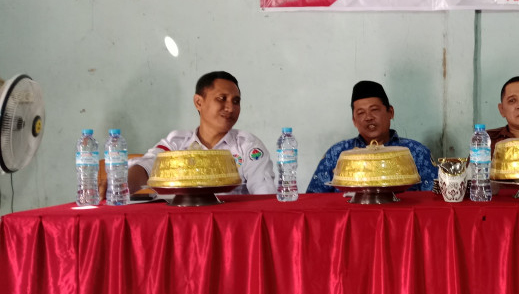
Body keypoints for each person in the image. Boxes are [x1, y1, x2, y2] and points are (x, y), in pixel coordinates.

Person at [127, 71, 275, 194]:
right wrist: (125, 190)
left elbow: (264, 195)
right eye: (222, 99)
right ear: (199, 102)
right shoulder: (176, 143)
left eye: (236, 101)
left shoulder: (247, 146)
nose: (230, 108)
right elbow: (143, 168)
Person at [306, 80, 437, 193]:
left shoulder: (416, 152)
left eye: (374, 110)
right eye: (361, 113)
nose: (368, 117)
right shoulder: (337, 154)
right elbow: (314, 200)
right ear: (354, 120)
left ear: (390, 112)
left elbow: (433, 200)